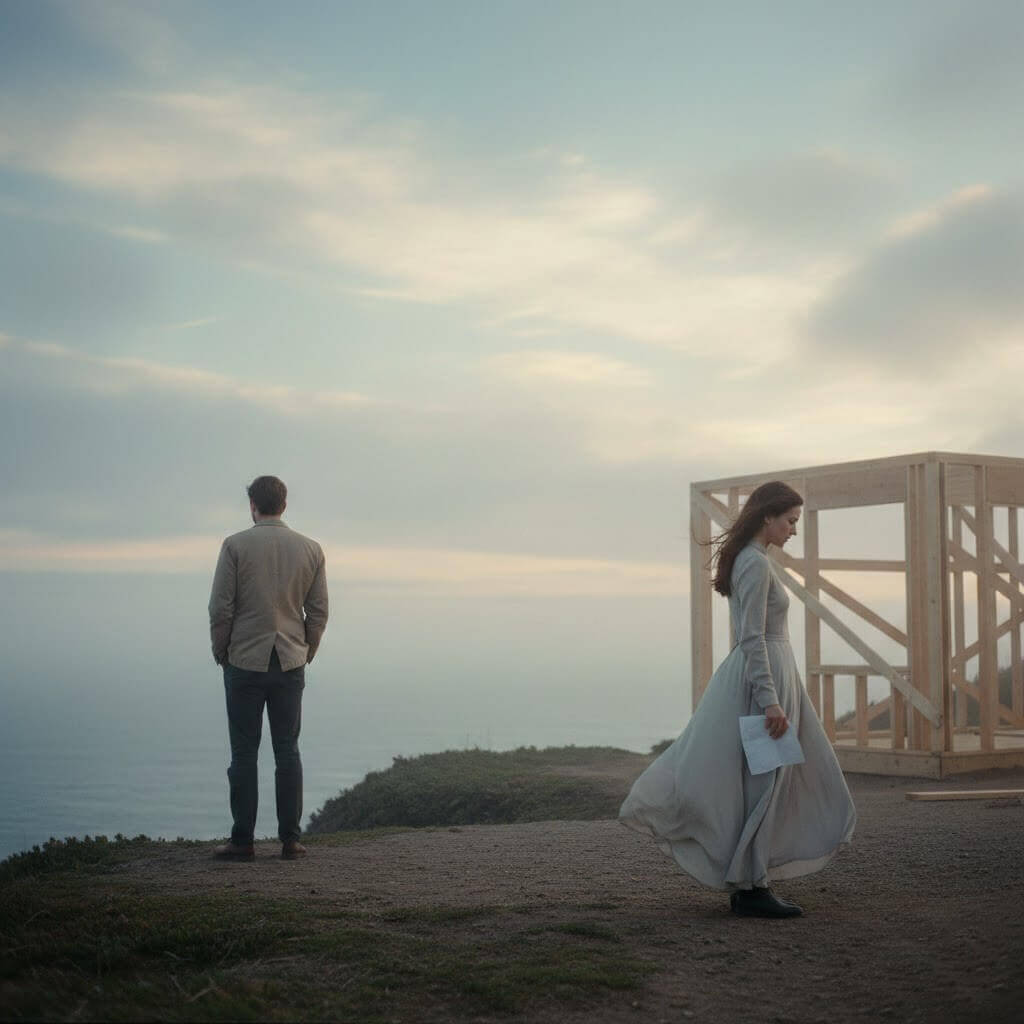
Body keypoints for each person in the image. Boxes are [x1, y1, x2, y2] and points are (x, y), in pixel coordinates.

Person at [619, 480, 855, 917]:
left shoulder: (757, 560)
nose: (794, 530)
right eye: (790, 521)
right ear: (768, 516)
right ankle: (751, 888)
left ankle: (751, 880)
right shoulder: (755, 563)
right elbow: (751, 638)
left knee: (769, 781)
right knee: (763, 784)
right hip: (760, 685)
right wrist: (770, 701)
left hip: (771, 679)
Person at [208, 475, 328, 861]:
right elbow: (319, 611)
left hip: (244, 659)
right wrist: (306, 650)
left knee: (244, 753)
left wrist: (220, 650)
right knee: (287, 751)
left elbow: (220, 608)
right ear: (285, 504)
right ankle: (290, 841)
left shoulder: (235, 546)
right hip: (290, 660)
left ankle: (242, 842)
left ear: (252, 506)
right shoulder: (311, 549)